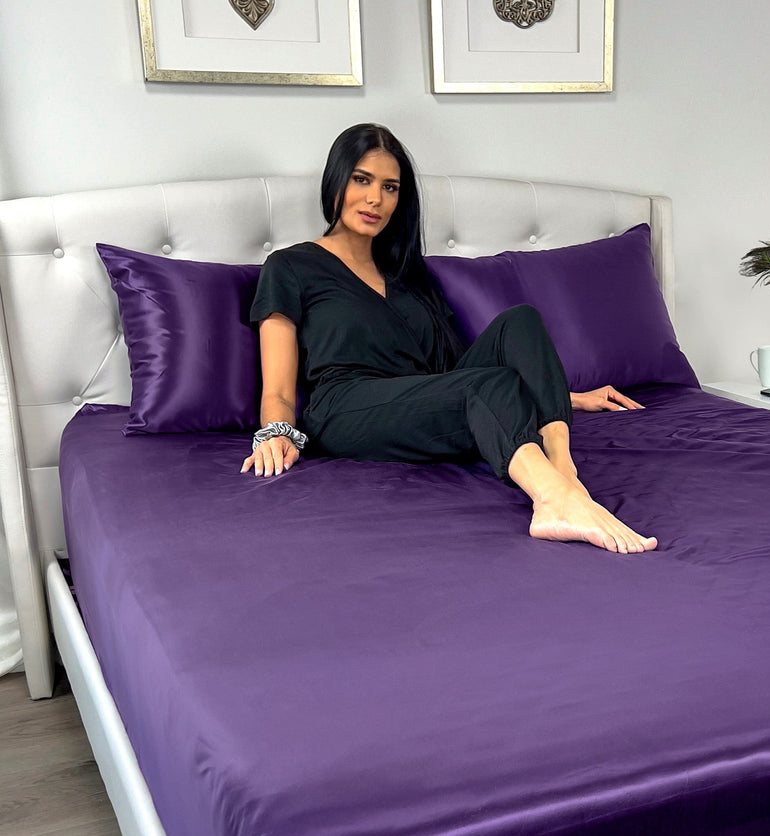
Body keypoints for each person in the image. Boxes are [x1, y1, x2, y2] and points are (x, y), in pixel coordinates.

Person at [241, 123, 657, 555]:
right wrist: (275, 433)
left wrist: (561, 394)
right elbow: (278, 388)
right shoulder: (290, 266)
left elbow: (454, 373)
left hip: (424, 401)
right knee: (489, 384)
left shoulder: (408, 274)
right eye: (361, 180)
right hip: (345, 409)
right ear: (336, 181)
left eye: (390, 187)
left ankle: (565, 473)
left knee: (521, 320)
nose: (375, 200)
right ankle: (551, 499)